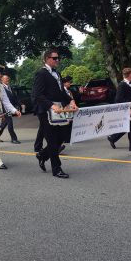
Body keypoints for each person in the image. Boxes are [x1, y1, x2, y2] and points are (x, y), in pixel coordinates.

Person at [32, 48, 78, 178]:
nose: (58, 60)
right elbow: (37, 95)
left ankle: (42, 155)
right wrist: (51, 105)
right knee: (52, 140)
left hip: (59, 110)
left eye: (58, 58)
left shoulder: (57, 74)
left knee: (61, 137)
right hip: (46, 111)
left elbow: (61, 92)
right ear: (47, 59)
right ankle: (56, 169)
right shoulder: (41, 73)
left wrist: (71, 101)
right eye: (55, 58)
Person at [107, 67, 131, 152]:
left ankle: (112, 138)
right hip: (126, 110)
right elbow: (118, 99)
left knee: (128, 127)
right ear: (130, 74)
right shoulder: (122, 85)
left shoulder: (130, 84)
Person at [0, 74, 21, 144]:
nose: (7, 80)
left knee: (4, 124)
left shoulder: (10, 88)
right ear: (2, 80)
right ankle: (13, 138)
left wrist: (19, 104)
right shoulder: (1, 88)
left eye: (8, 78)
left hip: (10, 107)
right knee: (10, 122)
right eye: (6, 79)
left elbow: (14, 97)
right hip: (4, 108)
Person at [62, 76, 74, 144]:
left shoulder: (69, 91)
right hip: (65, 109)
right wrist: (64, 106)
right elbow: (62, 99)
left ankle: (69, 137)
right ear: (64, 83)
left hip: (70, 109)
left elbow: (72, 99)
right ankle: (66, 138)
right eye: (68, 82)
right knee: (66, 123)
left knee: (70, 123)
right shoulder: (62, 90)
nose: (70, 83)